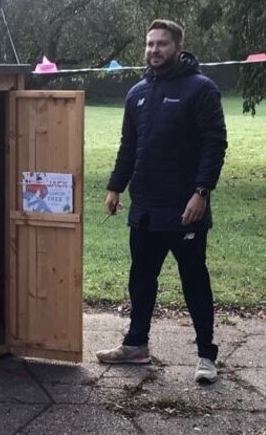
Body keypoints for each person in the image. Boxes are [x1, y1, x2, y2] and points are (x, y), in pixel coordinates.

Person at [96, 19, 228, 383]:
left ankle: (206, 356)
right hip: (145, 209)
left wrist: (201, 192)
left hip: (185, 208)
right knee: (141, 279)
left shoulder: (201, 89)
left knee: (194, 281)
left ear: (178, 47)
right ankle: (136, 345)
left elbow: (214, 143)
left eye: (162, 44)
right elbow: (129, 146)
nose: (154, 50)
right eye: (150, 44)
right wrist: (115, 187)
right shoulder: (137, 92)